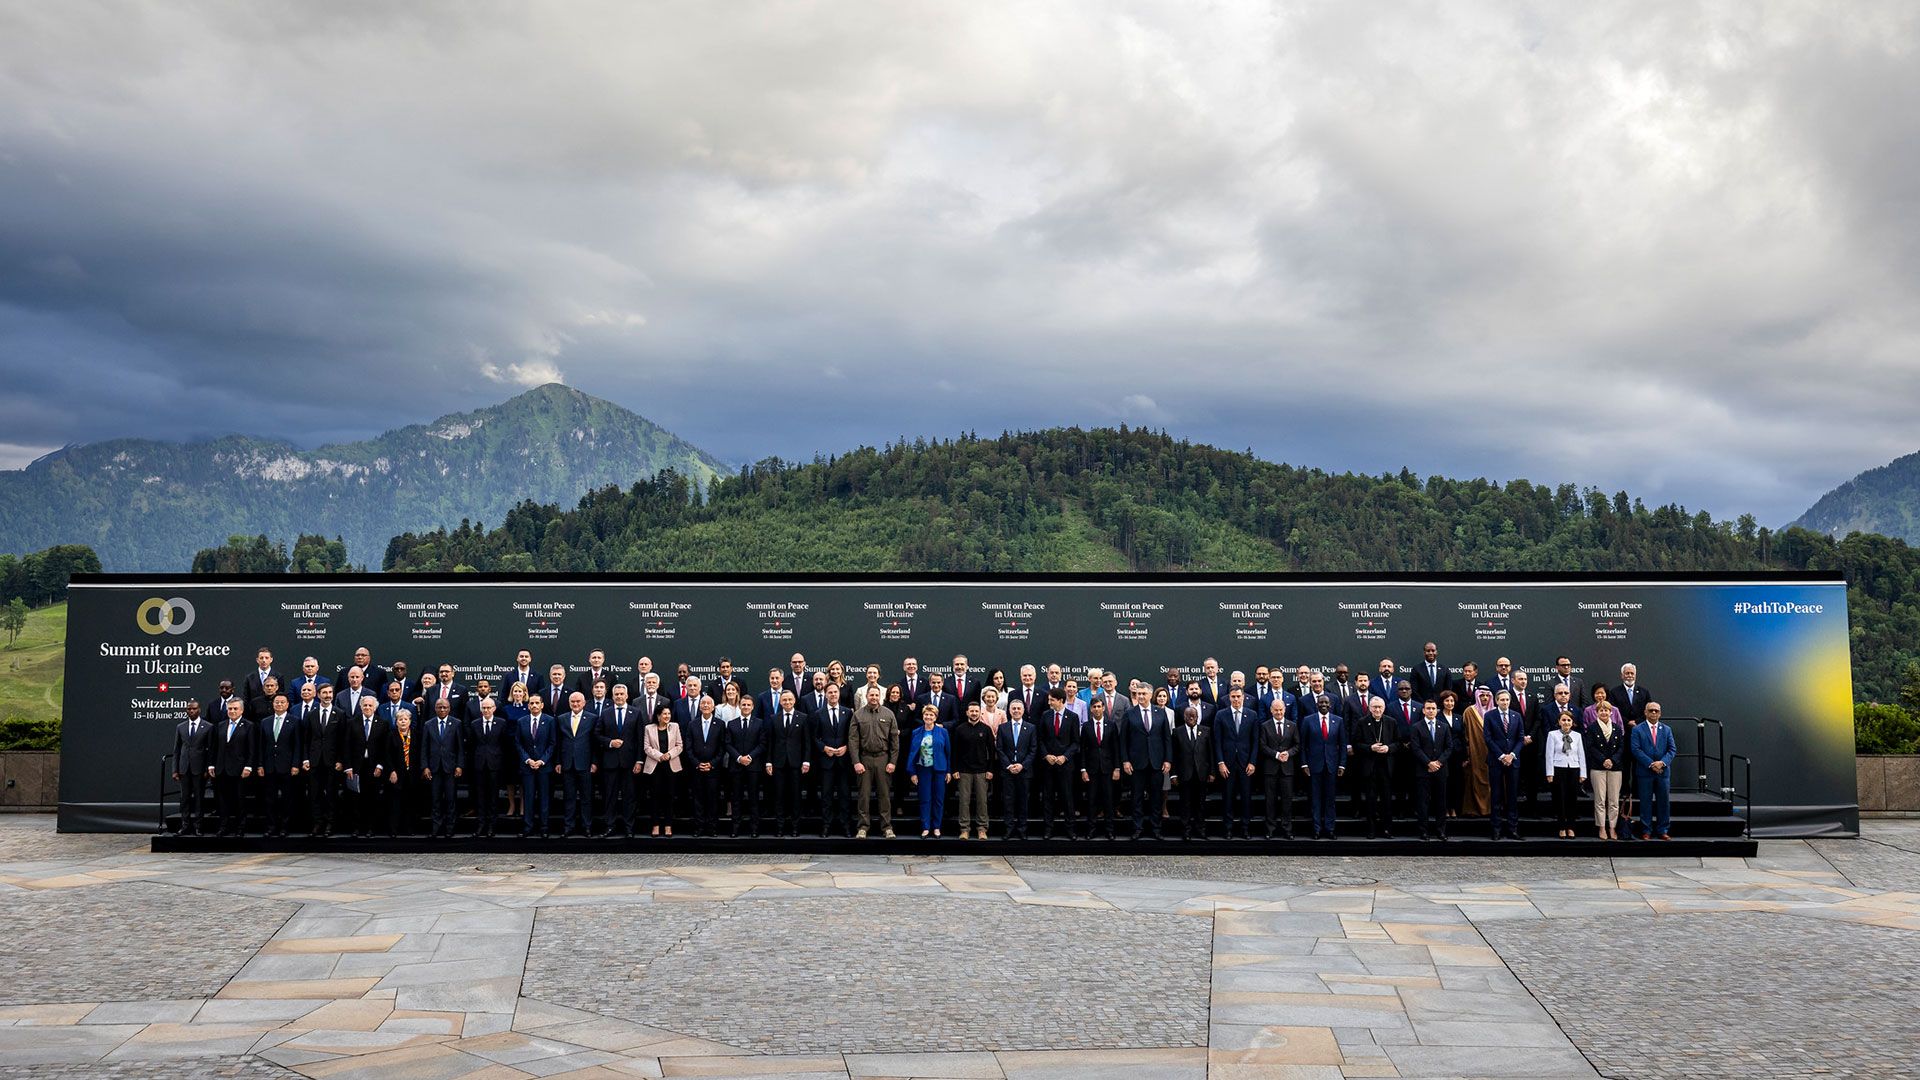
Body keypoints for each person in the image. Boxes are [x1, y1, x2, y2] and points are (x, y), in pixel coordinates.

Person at [1120, 685, 1171, 840]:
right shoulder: (1130, 713)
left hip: (1156, 763)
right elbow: (1123, 740)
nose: (1140, 696)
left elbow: (1166, 738)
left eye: (1143, 693)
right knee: (1137, 797)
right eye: (1138, 694)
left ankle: (1156, 828)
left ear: (1150, 695)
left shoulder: (1160, 713)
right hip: (1136, 763)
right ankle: (1137, 828)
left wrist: (1168, 759)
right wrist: (1125, 761)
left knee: (1156, 797)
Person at [849, 688, 900, 838]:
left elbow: (895, 742)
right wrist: (856, 762)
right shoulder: (858, 715)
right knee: (863, 795)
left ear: (880, 696)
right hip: (864, 759)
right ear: (866, 696)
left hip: (883, 759)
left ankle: (887, 827)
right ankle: (863, 827)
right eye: (871, 695)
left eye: (876, 695)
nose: (874, 697)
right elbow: (853, 741)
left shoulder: (888, 714)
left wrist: (892, 762)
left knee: (884, 795)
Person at [595, 684, 640, 837]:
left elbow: (639, 739)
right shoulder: (605, 713)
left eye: (622, 694)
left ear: (627, 696)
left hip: (629, 762)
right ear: (612, 696)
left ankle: (629, 827)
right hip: (610, 761)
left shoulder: (636, 713)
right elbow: (597, 735)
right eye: (617, 694)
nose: (619, 697)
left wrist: (639, 761)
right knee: (610, 796)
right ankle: (610, 826)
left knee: (629, 796)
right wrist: (610, 742)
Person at [1300, 694, 1346, 840]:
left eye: (1326, 703)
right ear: (1317, 704)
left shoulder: (1338, 721)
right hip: (1314, 765)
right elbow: (1302, 745)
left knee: (1330, 799)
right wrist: (1304, 763)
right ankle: (1316, 829)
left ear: (1330, 705)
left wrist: (1342, 764)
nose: (1324, 705)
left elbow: (1343, 745)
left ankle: (1330, 828)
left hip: (1332, 765)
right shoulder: (1308, 720)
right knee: (1315, 799)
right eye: (1321, 703)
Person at [1356, 696, 1402, 839]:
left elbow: (1399, 743)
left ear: (1384, 708)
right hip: (1370, 767)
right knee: (1370, 800)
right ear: (1370, 708)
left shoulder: (1391, 722)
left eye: (1380, 707)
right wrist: (1371, 748)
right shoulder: (1362, 722)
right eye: (1374, 707)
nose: (1377, 710)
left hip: (1386, 767)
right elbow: (1356, 744)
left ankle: (1387, 830)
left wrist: (1388, 748)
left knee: (1386, 800)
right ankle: (1371, 830)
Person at [257, 692, 302, 838]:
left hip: (287, 767)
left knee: (287, 799)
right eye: (277, 702)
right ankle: (271, 827)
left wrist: (296, 764)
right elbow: (261, 746)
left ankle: (284, 827)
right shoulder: (265, 722)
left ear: (288, 705)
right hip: (269, 766)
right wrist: (260, 765)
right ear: (273, 704)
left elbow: (297, 745)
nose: (279, 704)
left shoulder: (294, 721)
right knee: (270, 799)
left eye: (283, 702)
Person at [1034, 692, 1078, 839]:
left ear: (1060, 700)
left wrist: (1064, 757)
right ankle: (1048, 829)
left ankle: (1070, 829)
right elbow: (1040, 739)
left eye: (1052, 700)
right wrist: (1046, 755)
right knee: (1048, 798)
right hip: (1049, 765)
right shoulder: (1045, 715)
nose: (1049, 702)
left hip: (1065, 765)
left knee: (1067, 798)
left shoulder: (1073, 717)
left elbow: (1075, 742)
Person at [812, 684, 854, 837]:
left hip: (843, 761)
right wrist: (824, 748)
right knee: (826, 795)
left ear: (839, 694)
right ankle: (826, 826)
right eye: (830, 692)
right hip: (826, 761)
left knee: (844, 795)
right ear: (825, 694)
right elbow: (814, 737)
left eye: (835, 692)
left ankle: (846, 826)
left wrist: (846, 747)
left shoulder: (848, 712)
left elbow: (853, 736)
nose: (833, 694)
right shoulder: (818, 714)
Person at [951, 700, 996, 841]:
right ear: (967, 713)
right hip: (964, 771)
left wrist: (990, 770)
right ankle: (964, 829)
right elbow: (955, 751)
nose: (974, 713)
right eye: (972, 711)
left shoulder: (986, 729)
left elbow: (992, 751)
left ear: (980, 713)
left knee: (982, 801)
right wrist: (955, 769)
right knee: (964, 801)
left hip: (982, 771)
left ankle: (982, 829)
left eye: (976, 711)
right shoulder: (960, 729)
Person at [1483, 689, 1524, 841]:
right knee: (1496, 796)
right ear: (1496, 701)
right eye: (1502, 700)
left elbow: (1520, 738)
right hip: (1496, 761)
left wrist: (1512, 755)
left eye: (1507, 700)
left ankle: (1512, 829)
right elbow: (1487, 738)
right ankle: (1496, 830)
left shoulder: (1516, 716)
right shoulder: (1489, 716)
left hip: (1513, 761)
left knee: (1512, 796)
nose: (1505, 702)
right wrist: (1501, 756)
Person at [1632, 702, 1676, 840]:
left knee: (1664, 802)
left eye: (1656, 711)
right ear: (1645, 712)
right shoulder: (1637, 729)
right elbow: (1636, 749)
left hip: (1663, 773)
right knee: (1645, 802)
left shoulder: (1667, 729)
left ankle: (1663, 830)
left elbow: (1672, 749)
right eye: (1651, 710)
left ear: (1660, 713)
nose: (1654, 713)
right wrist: (1651, 764)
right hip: (1645, 773)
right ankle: (1646, 830)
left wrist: (1662, 763)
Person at [1077, 694, 1120, 839]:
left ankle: (1110, 830)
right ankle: (1091, 830)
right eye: (1094, 707)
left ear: (1103, 708)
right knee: (1092, 801)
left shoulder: (1111, 725)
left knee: (1108, 800)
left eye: (1099, 706)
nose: (1097, 709)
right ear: (1090, 709)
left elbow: (1116, 748)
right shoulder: (1087, 726)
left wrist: (1117, 768)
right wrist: (1083, 769)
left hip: (1108, 769)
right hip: (1091, 769)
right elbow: (1082, 749)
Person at [419, 698, 463, 839]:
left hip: (450, 768)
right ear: (435, 709)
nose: (442, 710)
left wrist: (459, 765)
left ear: (449, 708)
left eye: (444, 707)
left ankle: (450, 829)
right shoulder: (428, 724)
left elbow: (460, 748)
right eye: (439, 707)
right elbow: (424, 747)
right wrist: (425, 766)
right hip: (434, 768)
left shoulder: (456, 723)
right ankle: (436, 828)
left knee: (450, 800)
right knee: (436, 800)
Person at [768, 689, 809, 837]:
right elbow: (770, 742)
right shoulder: (774, 718)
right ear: (780, 702)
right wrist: (768, 762)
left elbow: (806, 742)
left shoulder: (803, 718)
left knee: (795, 796)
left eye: (790, 700)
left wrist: (806, 761)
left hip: (796, 764)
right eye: (784, 700)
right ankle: (779, 827)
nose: (787, 702)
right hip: (778, 763)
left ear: (794, 701)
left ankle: (795, 827)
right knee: (779, 796)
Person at [347, 694, 390, 838]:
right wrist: (348, 767)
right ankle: (356, 828)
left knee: (372, 799)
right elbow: (346, 746)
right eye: (365, 705)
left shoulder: (382, 724)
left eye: (370, 705)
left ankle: (370, 828)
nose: (367, 708)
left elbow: (385, 748)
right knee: (355, 800)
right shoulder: (352, 722)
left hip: (374, 768)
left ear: (375, 707)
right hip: (356, 767)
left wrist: (380, 766)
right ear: (360, 707)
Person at [1408, 698, 1451, 841]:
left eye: (1433, 708)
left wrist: (1438, 762)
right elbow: (1415, 748)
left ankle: (1441, 831)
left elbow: (1449, 747)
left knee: (1441, 802)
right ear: (1423, 710)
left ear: (1437, 710)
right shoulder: (1416, 727)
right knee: (1423, 802)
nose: (1431, 711)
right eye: (1428, 708)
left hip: (1441, 770)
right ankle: (1424, 831)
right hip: (1423, 770)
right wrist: (1429, 763)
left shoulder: (1444, 727)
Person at [467, 696, 510, 837]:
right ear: (481, 709)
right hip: (479, 765)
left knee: (493, 797)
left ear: (494, 709)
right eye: (484, 708)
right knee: (480, 796)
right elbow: (472, 745)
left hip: (495, 765)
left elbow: (505, 744)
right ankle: (480, 825)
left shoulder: (502, 723)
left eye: (489, 708)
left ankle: (492, 825)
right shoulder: (475, 724)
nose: (486, 710)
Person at [1584, 700, 1627, 841]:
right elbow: (1590, 747)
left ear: (1611, 712)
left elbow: (1621, 747)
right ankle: (1602, 827)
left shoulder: (1617, 728)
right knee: (1600, 799)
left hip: (1615, 767)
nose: (1603, 712)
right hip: (1598, 767)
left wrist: (1612, 760)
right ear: (1597, 712)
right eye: (1601, 710)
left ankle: (1612, 828)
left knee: (1614, 800)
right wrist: (1603, 760)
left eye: (1606, 710)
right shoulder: (1592, 728)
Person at [725, 695, 767, 837]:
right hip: (736, 766)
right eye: (743, 705)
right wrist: (738, 758)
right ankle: (735, 828)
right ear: (739, 706)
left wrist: (749, 757)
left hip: (753, 766)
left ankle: (754, 828)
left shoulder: (760, 723)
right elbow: (728, 744)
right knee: (736, 798)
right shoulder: (731, 724)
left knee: (754, 798)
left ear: (753, 707)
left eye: (749, 705)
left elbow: (762, 744)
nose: (746, 707)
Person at [905, 705, 950, 837]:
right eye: (926, 715)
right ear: (923, 716)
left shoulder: (943, 732)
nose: (928, 717)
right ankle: (926, 827)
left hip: (940, 769)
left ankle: (936, 827)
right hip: (923, 770)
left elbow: (948, 753)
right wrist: (912, 772)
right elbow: (912, 753)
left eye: (931, 715)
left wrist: (948, 771)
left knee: (938, 799)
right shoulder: (916, 732)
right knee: (925, 798)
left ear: (935, 717)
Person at [683, 695, 725, 837]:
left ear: (713, 707)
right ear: (700, 707)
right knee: (698, 800)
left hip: (713, 770)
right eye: (703, 703)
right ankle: (699, 828)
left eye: (708, 703)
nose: (706, 705)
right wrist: (697, 763)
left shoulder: (720, 724)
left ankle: (712, 828)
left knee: (713, 799)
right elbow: (688, 747)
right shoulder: (692, 724)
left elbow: (722, 747)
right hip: (697, 769)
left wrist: (712, 764)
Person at [1170, 705, 1213, 840]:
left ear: (1197, 717)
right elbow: (1174, 754)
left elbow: (1210, 753)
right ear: (1184, 717)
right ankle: (1186, 831)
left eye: (1193, 716)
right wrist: (1174, 774)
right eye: (1188, 716)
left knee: (1200, 803)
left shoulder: (1206, 731)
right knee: (1185, 804)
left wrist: (1212, 772)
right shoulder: (1177, 732)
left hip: (1201, 774)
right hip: (1184, 774)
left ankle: (1201, 830)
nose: (1191, 718)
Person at [1258, 698, 1298, 839]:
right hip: (1270, 769)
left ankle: (1287, 829)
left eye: (1281, 710)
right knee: (1270, 800)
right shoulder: (1264, 726)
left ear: (1285, 710)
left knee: (1287, 800)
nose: (1279, 712)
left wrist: (1289, 753)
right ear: (1271, 710)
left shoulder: (1292, 726)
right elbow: (1262, 746)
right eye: (1276, 710)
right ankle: (1270, 829)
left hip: (1287, 770)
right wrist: (1276, 755)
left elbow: (1297, 745)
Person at [1545, 707, 1588, 838]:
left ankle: (1571, 827)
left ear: (1572, 722)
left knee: (1572, 799)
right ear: (1559, 722)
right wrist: (1549, 773)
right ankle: (1562, 827)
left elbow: (1581, 754)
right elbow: (1549, 755)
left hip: (1573, 768)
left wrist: (1583, 773)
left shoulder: (1577, 736)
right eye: (1563, 720)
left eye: (1569, 720)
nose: (1566, 722)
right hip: (1558, 768)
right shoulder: (1552, 735)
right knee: (1560, 799)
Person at [172, 700, 214, 836]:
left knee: (199, 798)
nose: (191, 711)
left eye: (194, 709)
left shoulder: (208, 726)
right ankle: (185, 825)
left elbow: (210, 750)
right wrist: (175, 769)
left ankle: (198, 826)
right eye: (189, 709)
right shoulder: (181, 727)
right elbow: (177, 749)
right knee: (184, 798)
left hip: (199, 769)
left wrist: (208, 768)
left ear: (199, 710)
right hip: (184, 768)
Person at [641, 702, 683, 836]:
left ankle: (668, 825)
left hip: (671, 766)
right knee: (655, 797)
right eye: (664, 714)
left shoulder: (675, 727)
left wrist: (669, 755)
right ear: (658, 716)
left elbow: (679, 745)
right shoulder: (649, 728)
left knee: (669, 796)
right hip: (655, 767)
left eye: (669, 714)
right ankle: (655, 825)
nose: (667, 716)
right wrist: (660, 756)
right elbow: (647, 747)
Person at [996, 700, 1036, 839]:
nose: (1016, 711)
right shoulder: (1003, 727)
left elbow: (1033, 749)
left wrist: (1022, 765)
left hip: (1024, 771)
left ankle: (1022, 829)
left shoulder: (1031, 728)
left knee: (1023, 801)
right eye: (1013, 708)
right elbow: (999, 749)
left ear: (1023, 710)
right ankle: (1008, 829)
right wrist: (1008, 765)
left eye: (1019, 708)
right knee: (1008, 801)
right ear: (1009, 710)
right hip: (1008, 771)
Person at [516, 694, 554, 839]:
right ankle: (528, 827)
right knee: (528, 797)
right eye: (531, 703)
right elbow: (518, 743)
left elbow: (552, 743)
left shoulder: (550, 721)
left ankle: (544, 828)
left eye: (537, 703)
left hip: (544, 766)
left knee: (544, 798)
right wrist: (528, 760)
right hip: (527, 767)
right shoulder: (522, 721)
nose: (534, 705)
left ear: (542, 705)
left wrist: (542, 760)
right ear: (528, 705)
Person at [385, 710, 422, 837]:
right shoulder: (391, 735)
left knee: (410, 802)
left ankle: (409, 829)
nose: (403, 722)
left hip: (412, 774)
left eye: (405, 719)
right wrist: (391, 771)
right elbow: (387, 755)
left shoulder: (416, 735)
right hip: (396, 774)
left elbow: (419, 755)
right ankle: (393, 830)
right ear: (396, 722)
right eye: (400, 719)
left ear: (410, 721)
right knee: (395, 803)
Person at [1458, 688, 1494, 818]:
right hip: (1475, 752)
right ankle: (1473, 810)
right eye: (1482, 695)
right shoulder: (1469, 711)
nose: (1485, 698)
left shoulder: (1495, 712)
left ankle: (1491, 809)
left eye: (1487, 696)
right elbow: (1465, 734)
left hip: (1493, 753)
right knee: (1473, 778)